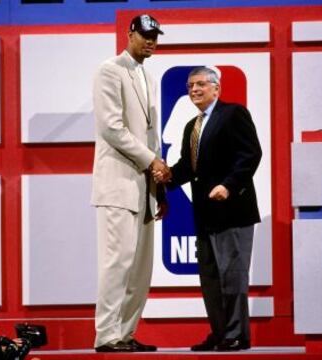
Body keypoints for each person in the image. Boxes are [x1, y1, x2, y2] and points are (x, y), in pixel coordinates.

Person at [154, 66, 262, 351]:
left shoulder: (234, 114)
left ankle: (237, 335)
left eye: (201, 84)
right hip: (205, 215)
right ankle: (220, 333)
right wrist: (168, 177)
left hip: (233, 211)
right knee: (211, 279)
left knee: (233, 275)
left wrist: (228, 185)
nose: (194, 90)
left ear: (217, 88)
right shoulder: (192, 126)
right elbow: (190, 169)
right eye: (190, 86)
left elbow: (251, 154)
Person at [91, 14, 169, 353]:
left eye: (155, 36)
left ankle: (125, 333)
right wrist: (151, 160)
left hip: (146, 189)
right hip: (118, 183)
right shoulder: (110, 70)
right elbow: (111, 127)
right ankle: (107, 335)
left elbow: (152, 136)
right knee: (117, 263)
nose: (150, 41)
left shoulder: (149, 77)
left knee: (140, 269)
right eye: (145, 34)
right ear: (130, 34)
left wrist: (160, 187)